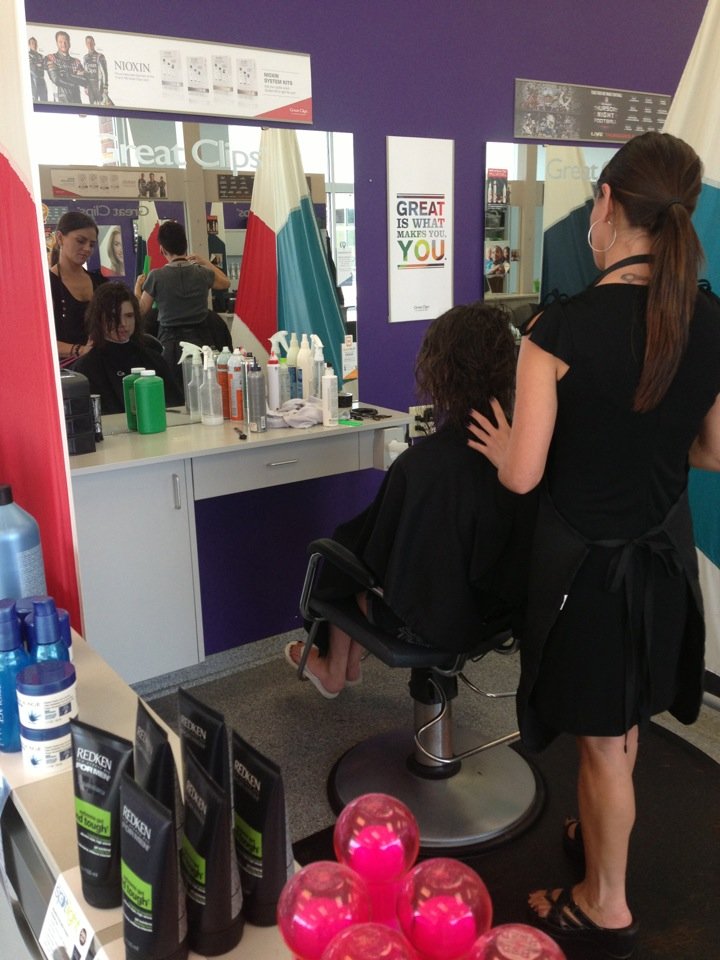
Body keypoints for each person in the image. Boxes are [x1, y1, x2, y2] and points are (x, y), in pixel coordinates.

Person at [468, 131, 720, 958]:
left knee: (605, 747)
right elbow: (714, 450)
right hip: (665, 569)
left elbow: (523, 477)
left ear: (607, 203)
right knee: (622, 728)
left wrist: (505, 450)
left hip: (592, 578)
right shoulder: (710, 318)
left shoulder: (558, 330)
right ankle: (599, 833)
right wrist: (648, 444)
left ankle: (603, 902)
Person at [284, 302, 536, 697]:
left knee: (341, 560)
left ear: (440, 371)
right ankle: (345, 664)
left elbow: (375, 557)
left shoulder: (422, 465)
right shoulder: (524, 457)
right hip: (497, 617)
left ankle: (334, 668)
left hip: (432, 626)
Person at [134, 220, 232, 369]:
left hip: (170, 344)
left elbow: (140, 310)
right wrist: (205, 262)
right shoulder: (202, 273)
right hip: (201, 341)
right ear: (185, 245)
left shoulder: (156, 276)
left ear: (162, 249)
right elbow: (226, 283)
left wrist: (137, 288)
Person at [74, 283, 184, 414]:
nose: (123, 324)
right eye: (114, 317)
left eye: (129, 316)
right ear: (99, 319)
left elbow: (177, 407)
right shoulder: (86, 369)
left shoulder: (154, 359)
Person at [49, 211, 106, 364]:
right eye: (80, 241)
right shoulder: (47, 285)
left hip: (100, 362)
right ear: (60, 238)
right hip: (65, 369)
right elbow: (39, 339)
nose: (87, 248)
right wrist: (79, 350)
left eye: (92, 245)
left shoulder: (99, 282)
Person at [44, 30, 86, 105]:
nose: (63, 44)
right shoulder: (51, 58)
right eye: (60, 42)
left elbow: (84, 81)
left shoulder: (76, 61)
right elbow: (56, 79)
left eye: (65, 41)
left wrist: (68, 75)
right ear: (56, 43)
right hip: (60, 101)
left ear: (69, 43)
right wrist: (74, 79)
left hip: (77, 100)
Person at [83, 35, 110, 106]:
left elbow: (104, 73)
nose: (89, 44)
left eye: (91, 42)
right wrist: (85, 86)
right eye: (88, 43)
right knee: (93, 106)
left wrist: (105, 87)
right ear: (86, 44)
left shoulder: (100, 56)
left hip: (98, 85)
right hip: (90, 86)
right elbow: (85, 73)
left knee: (102, 105)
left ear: (94, 43)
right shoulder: (85, 57)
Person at [28, 37, 48, 102]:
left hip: (41, 80)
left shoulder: (40, 56)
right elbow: (32, 68)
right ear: (29, 45)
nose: (34, 45)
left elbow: (46, 66)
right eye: (32, 43)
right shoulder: (27, 55)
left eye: (35, 43)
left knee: (44, 100)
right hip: (33, 80)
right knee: (34, 100)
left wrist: (39, 65)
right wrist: (39, 65)